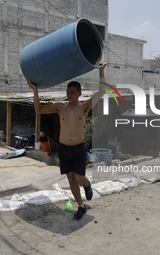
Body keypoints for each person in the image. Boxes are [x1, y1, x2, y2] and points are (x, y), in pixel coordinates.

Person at [28, 60, 107, 220]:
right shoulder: (60, 107)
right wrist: (35, 91)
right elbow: (38, 110)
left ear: (79, 93)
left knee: (79, 179)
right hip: (64, 149)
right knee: (70, 179)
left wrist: (101, 71)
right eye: (67, 91)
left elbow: (102, 92)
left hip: (78, 148)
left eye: (71, 92)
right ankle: (81, 206)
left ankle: (87, 184)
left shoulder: (85, 106)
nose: (68, 94)